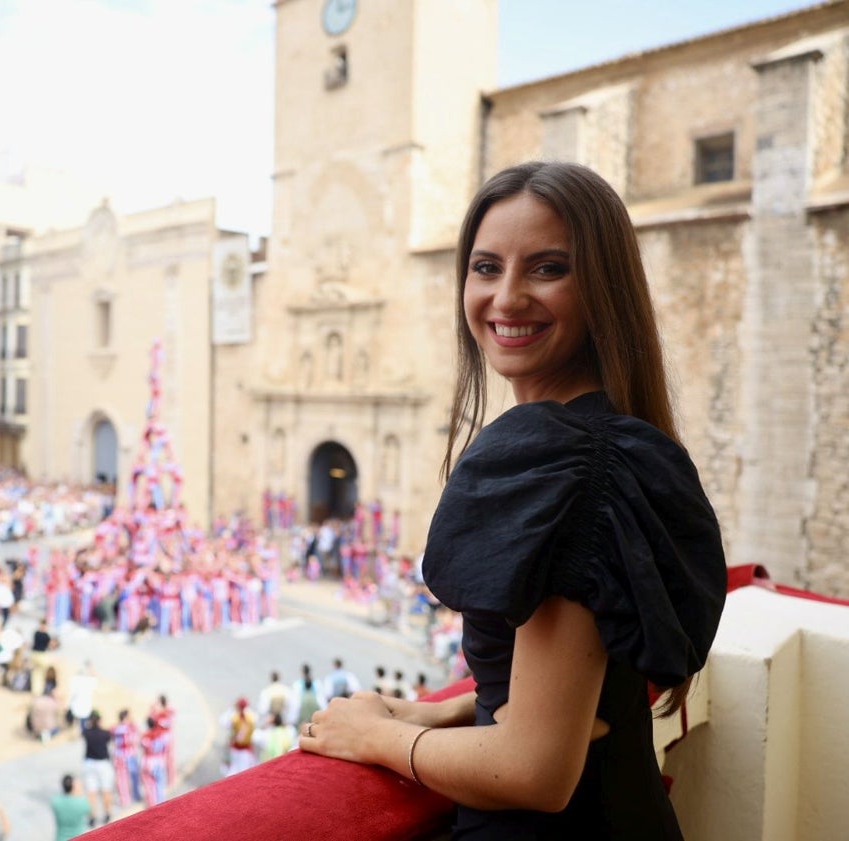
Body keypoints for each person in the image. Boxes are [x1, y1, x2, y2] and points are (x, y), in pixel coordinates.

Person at [297, 161, 727, 839]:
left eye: (548, 267)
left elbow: (534, 769)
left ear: (602, 287)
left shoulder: (561, 459)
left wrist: (374, 737)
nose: (506, 296)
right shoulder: (617, 442)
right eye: (486, 267)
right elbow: (576, 681)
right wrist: (445, 710)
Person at [80, 712, 115, 825]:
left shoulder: (86, 733)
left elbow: (83, 730)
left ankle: (92, 816)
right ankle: (107, 813)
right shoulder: (105, 733)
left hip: (89, 763)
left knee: (91, 792)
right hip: (102, 763)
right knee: (106, 790)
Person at [50, 775, 91, 841]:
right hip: (78, 838)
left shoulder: (56, 801)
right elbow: (90, 812)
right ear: (74, 787)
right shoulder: (82, 803)